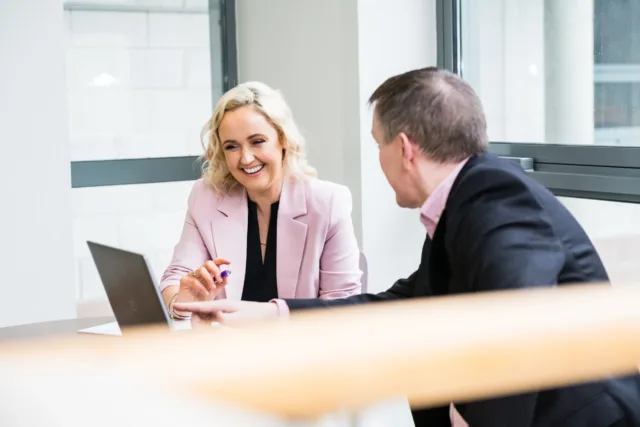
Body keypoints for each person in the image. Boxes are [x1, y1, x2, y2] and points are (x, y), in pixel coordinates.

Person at [174, 68, 640, 426]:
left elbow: (516, 328)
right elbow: (399, 302)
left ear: (405, 149)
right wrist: (271, 313)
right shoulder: (464, 200)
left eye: (377, 145)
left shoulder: (494, 196)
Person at [160, 81, 362, 320]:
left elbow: (342, 308)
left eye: (257, 141)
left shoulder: (327, 203)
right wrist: (182, 302)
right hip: (228, 349)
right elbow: (177, 275)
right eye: (232, 146)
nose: (245, 158)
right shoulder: (207, 197)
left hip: (301, 350)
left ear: (282, 139)